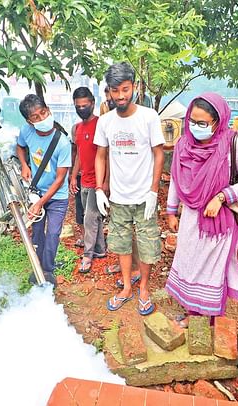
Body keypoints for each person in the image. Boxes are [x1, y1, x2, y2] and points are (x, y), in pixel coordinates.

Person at [165, 93, 238, 325]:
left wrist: (221, 197)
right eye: (192, 121)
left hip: (219, 220)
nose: (196, 127)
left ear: (218, 122)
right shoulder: (183, 144)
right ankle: (192, 312)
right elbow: (177, 179)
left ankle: (212, 316)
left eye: (202, 123)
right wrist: (171, 210)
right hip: (190, 217)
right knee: (189, 264)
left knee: (213, 268)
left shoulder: (234, 144)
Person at [94, 62, 164, 315]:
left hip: (144, 196)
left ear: (134, 87)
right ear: (109, 91)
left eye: (125, 89)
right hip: (119, 198)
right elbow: (100, 155)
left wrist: (154, 191)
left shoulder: (148, 117)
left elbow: (159, 154)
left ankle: (143, 288)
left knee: (147, 244)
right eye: (115, 90)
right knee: (121, 245)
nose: (121, 95)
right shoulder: (105, 122)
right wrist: (100, 189)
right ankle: (126, 287)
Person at [16, 94, 73, 287]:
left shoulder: (63, 142)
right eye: (36, 117)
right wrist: (24, 164)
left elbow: (60, 179)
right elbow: (19, 147)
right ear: (28, 121)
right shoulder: (26, 131)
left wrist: (41, 203)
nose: (42, 119)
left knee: (53, 233)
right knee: (38, 232)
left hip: (57, 197)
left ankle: (47, 271)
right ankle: (37, 264)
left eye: (44, 112)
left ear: (48, 109)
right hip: (37, 192)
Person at [70, 87, 107, 273]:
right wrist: (73, 176)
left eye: (85, 105)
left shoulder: (102, 124)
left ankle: (88, 254)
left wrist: (105, 183)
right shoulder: (77, 128)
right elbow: (78, 155)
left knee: (90, 218)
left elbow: (106, 155)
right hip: (84, 178)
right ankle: (100, 249)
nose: (82, 108)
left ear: (92, 103)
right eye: (78, 106)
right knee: (94, 216)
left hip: (97, 181)